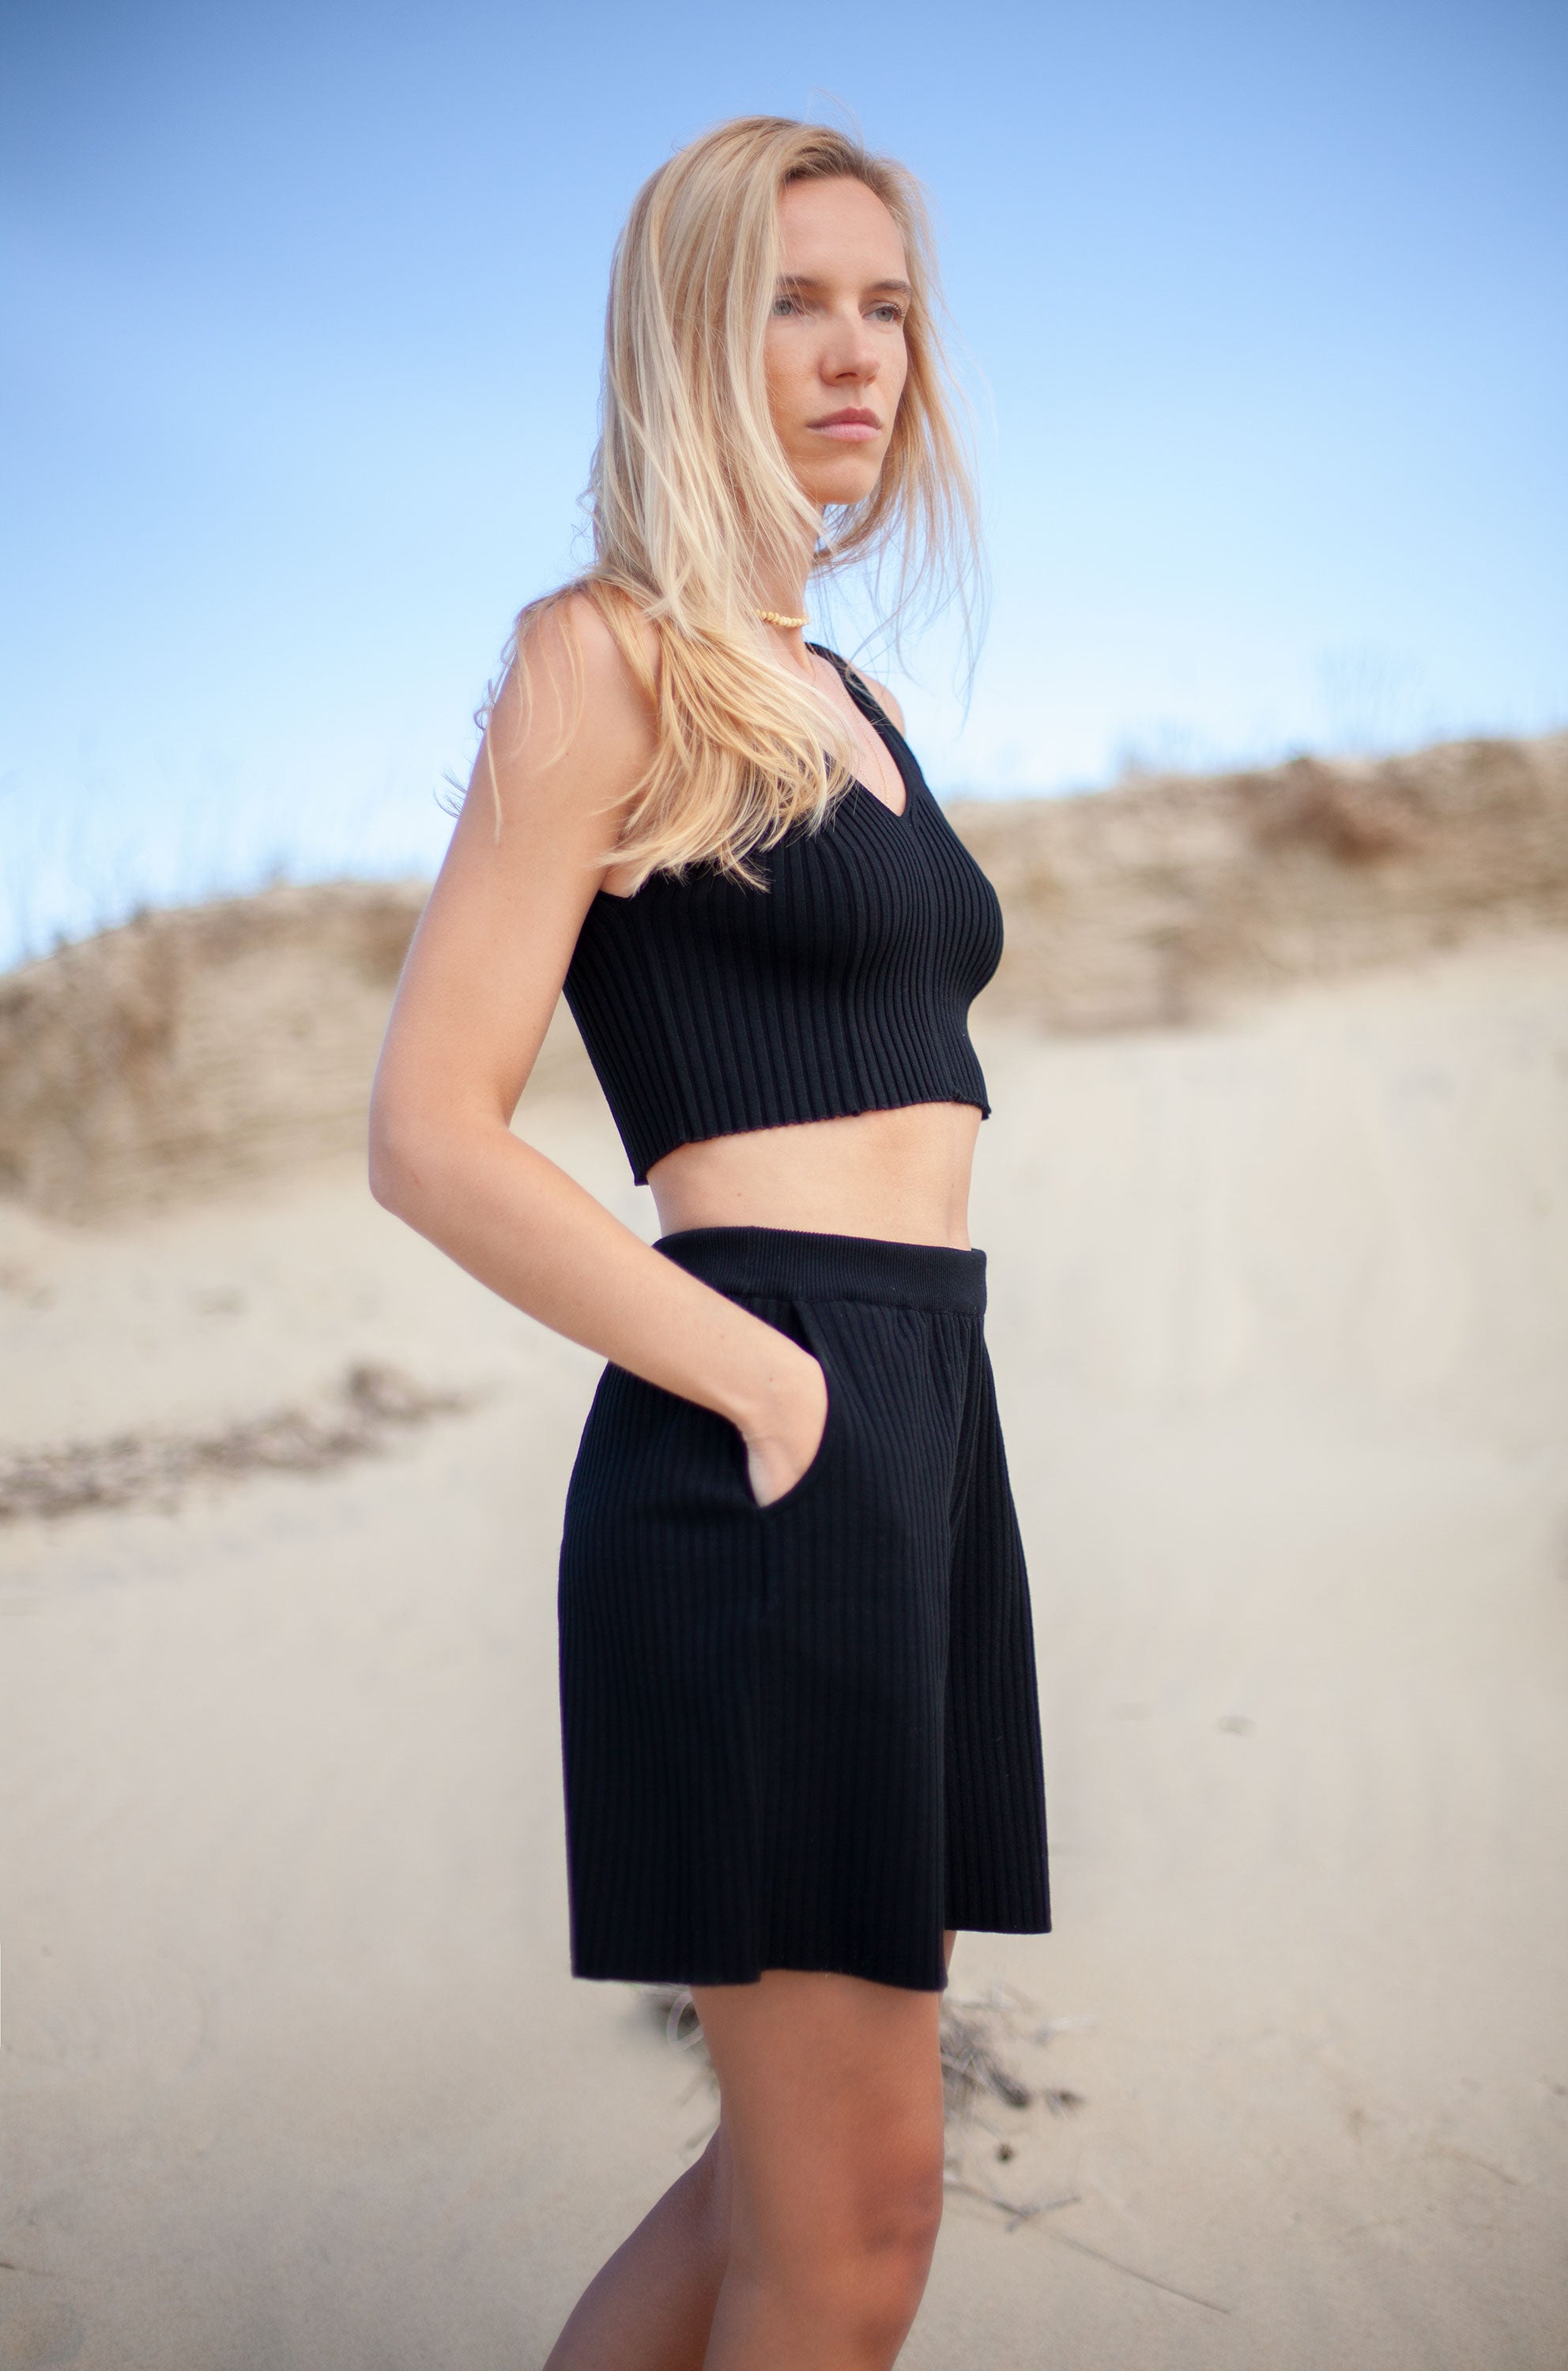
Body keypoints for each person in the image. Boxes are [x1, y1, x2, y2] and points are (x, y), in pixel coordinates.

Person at [369, 113, 1050, 2371]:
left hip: (919, 1406)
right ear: (686, 337)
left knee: (788, 2195)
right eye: (792, 301)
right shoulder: (605, 658)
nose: (859, 356)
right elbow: (428, 1135)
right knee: (857, 2228)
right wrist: (768, 1383)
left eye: (888, 307)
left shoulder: (849, 696)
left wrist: (871, 1412)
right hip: (770, 1409)